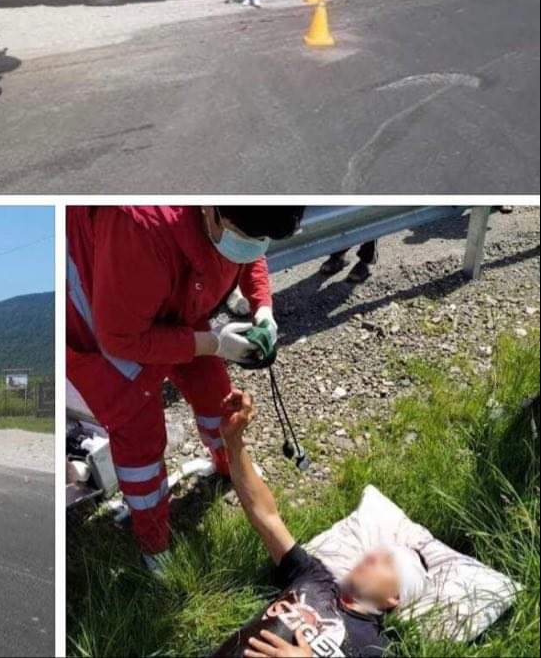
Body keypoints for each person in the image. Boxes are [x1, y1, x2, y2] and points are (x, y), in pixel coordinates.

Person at [66, 205, 304, 570]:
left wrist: (263, 308)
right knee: (141, 435)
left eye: (261, 240)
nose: (251, 247)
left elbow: (250, 248)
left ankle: (231, 469)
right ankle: (154, 545)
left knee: (215, 393)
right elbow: (120, 338)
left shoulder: (239, 215)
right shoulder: (137, 225)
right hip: (107, 326)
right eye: (244, 238)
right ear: (209, 209)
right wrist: (211, 343)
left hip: (177, 299)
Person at [211, 389, 429, 657]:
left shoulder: (375, 647)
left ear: (394, 598)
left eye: (388, 563)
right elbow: (266, 516)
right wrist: (233, 441)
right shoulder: (315, 577)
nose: (373, 556)